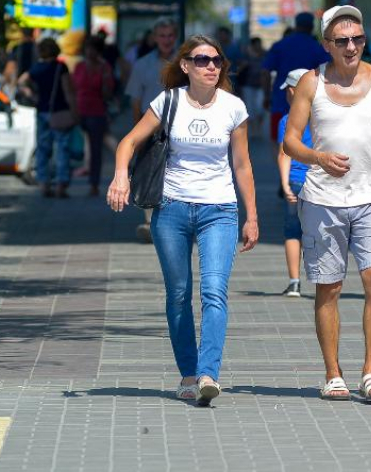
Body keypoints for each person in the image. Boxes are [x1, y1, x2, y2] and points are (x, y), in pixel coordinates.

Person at [106, 34, 258, 405]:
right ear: (186, 65)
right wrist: (120, 175)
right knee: (178, 295)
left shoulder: (234, 107)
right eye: (202, 60)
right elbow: (128, 142)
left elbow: (242, 164)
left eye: (217, 61)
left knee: (213, 291)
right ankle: (189, 374)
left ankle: (209, 374)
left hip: (219, 210)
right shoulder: (168, 100)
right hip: (171, 209)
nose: (211, 67)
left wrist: (251, 216)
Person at [283, 5, 371, 401]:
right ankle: (333, 373)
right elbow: (290, 140)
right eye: (342, 40)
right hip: (323, 200)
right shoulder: (311, 83)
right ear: (327, 44)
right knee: (329, 287)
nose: (351, 46)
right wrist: (318, 158)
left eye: (358, 38)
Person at [125, 17, 178, 243]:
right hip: (150, 128)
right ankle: (149, 221)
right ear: (155, 38)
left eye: (170, 35)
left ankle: (175, 219)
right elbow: (135, 101)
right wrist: (138, 133)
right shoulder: (142, 64)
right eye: (162, 36)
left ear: (175, 37)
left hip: (178, 127)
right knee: (149, 173)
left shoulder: (186, 63)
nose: (166, 40)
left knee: (174, 173)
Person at [261, 12, 331, 153]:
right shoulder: (317, 48)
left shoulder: (280, 45)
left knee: (277, 142)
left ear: (295, 25)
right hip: (310, 105)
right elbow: (328, 72)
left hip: (281, 102)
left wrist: (267, 96)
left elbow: (265, 71)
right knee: (306, 141)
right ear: (311, 27)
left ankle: (283, 172)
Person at [18, 38, 76, 198]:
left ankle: (44, 184)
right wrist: (75, 111)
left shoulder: (36, 68)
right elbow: (68, 91)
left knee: (43, 148)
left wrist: (33, 95)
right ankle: (61, 186)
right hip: (60, 111)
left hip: (42, 110)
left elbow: (21, 81)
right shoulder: (60, 67)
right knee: (62, 148)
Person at [277, 68, 311, 298]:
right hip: (321, 181)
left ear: (291, 90)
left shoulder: (287, 120)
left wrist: (285, 184)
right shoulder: (322, 117)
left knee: (293, 231)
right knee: (320, 232)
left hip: (297, 180)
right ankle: (323, 280)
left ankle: (294, 282)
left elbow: (284, 154)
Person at [72, 36, 115, 197]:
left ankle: (94, 183)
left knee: (96, 149)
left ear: (98, 51)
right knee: (76, 147)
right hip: (78, 110)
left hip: (97, 111)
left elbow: (107, 93)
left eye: (93, 49)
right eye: (87, 48)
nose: (89, 52)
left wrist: (104, 79)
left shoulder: (104, 68)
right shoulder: (79, 66)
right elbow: (73, 88)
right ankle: (64, 181)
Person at [238, 37, 266, 135]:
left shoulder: (265, 55)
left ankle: (259, 127)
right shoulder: (246, 56)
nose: (258, 46)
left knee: (260, 108)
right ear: (252, 45)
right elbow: (239, 69)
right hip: (248, 85)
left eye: (259, 44)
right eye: (256, 44)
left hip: (260, 85)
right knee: (250, 109)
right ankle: (254, 130)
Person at [3, 27, 37, 97]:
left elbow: (10, 69)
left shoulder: (17, 48)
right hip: (37, 86)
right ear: (34, 32)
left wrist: (11, 85)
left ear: (21, 33)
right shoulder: (39, 48)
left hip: (21, 86)